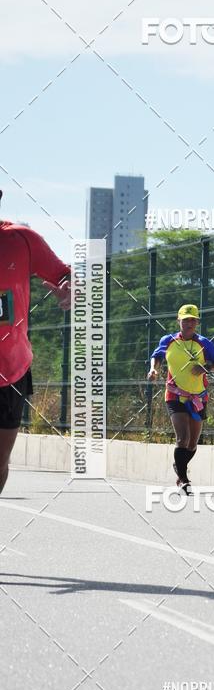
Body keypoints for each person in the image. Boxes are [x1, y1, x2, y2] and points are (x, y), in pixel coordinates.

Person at [0, 190, 71, 494]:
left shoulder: (23, 240)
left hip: (11, 370)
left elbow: (64, 274)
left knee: (0, 460)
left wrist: (69, 287)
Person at [148, 304, 214, 494]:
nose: (189, 323)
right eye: (186, 319)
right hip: (175, 395)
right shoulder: (168, 340)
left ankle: (179, 465)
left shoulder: (204, 343)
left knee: (192, 443)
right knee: (182, 438)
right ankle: (183, 479)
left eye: (193, 320)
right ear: (179, 321)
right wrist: (154, 369)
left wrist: (205, 368)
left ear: (197, 322)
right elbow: (156, 356)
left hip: (198, 397)